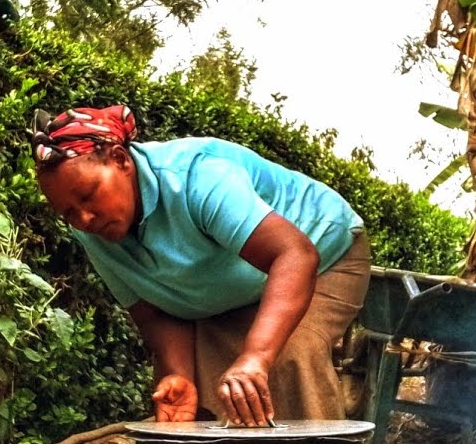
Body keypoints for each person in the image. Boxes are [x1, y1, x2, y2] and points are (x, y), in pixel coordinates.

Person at [32, 105, 370, 427]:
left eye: (89, 195)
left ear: (121, 161)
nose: (85, 218)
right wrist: (178, 373)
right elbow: (153, 311)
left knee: (288, 355)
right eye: (69, 213)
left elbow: (295, 256)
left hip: (322, 254)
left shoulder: (198, 177)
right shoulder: (91, 232)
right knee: (182, 388)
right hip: (232, 285)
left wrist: (255, 357)